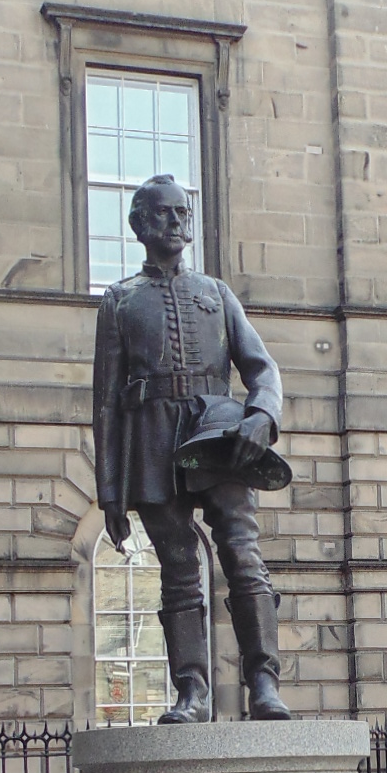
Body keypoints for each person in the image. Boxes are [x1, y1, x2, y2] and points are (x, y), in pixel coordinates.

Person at [90, 174, 290, 722]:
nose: (176, 223)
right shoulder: (118, 300)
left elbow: (261, 368)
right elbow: (105, 404)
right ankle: (192, 692)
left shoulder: (216, 293)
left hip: (219, 434)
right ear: (138, 225)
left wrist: (263, 416)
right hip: (150, 438)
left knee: (243, 557)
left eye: (182, 213)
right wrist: (110, 492)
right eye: (163, 214)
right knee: (178, 567)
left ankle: (264, 683)